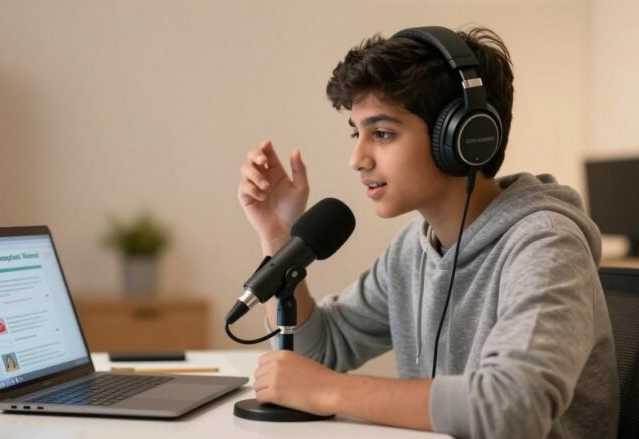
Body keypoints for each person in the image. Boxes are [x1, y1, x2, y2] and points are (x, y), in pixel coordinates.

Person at [236, 26, 619, 438]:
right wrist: (279, 238)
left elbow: (512, 408)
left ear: (463, 138)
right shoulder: (414, 250)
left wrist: (329, 392)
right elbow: (319, 350)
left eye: (382, 133)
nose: (357, 158)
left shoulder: (546, 245)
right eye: (356, 132)